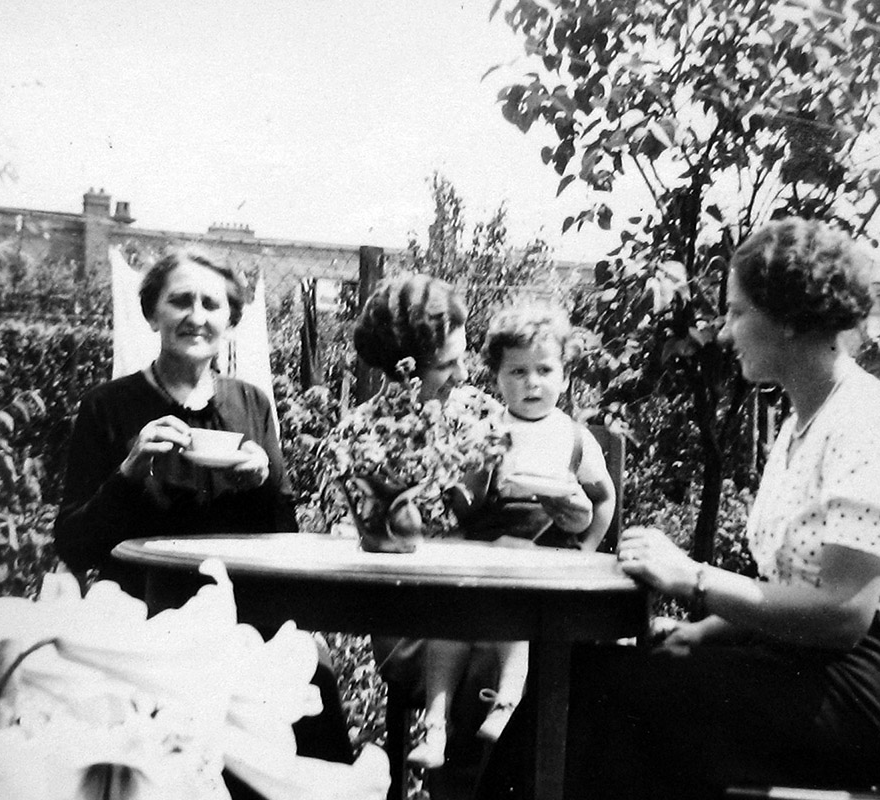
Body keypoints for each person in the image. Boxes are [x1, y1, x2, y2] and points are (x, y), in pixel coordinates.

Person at [476, 217, 880, 800]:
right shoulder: (807, 422)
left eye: (738, 312)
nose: (724, 331)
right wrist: (702, 635)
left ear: (790, 319)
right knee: (580, 673)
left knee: (601, 699)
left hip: (850, 699)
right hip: (802, 666)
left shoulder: (868, 425)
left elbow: (843, 614)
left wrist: (692, 578)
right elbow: (793, 589)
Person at [53, 249, 354, 775]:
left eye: (212, 304)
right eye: (180, 301)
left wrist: (262, 484)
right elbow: (73, 544)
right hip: (143, 620)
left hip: (240, 616)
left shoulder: (251, 404)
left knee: (314, 675)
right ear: (152, 314)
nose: (197, 316)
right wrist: (129, 472)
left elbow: (283, 538)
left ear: (230, 321)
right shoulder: (108, 407)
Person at [407, 303, 615, 769]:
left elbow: (603, 498)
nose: (532, 383)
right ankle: (435, 724)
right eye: (517, 372)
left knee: (516, 611)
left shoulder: (574, 438)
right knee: (448, 623)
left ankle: (506, 701)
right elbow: (465, 509)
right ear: (497, 378)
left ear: (565, 376)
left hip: (542, 561)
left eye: (545, 370)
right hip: (486, 555)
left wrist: (585, 550)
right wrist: (477, 475)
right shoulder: (487, 430)